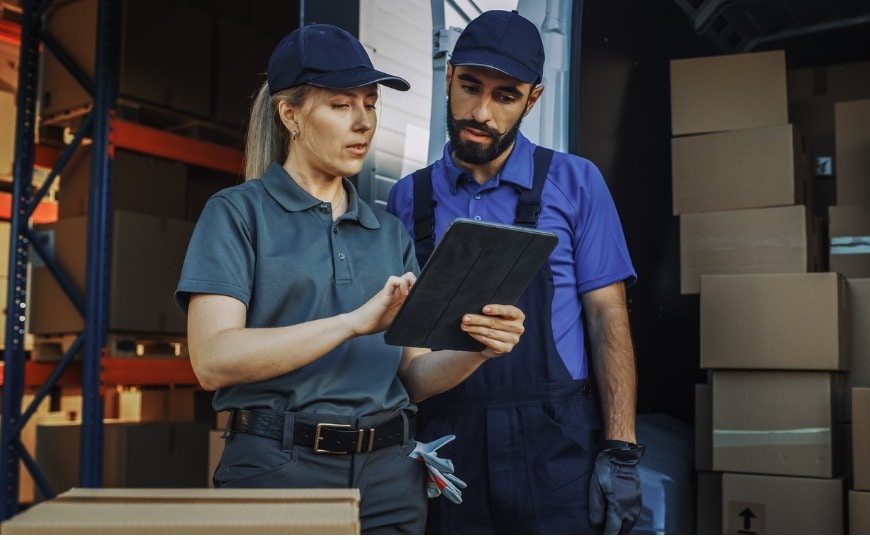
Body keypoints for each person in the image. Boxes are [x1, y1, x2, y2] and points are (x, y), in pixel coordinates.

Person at [174, 23, 526, 535]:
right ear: (289, 114)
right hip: (279, 470)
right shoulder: (236, 214)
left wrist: (479, 348)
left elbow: (412, 378)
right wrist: (352, 323)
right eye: (341, 105)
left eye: (370, 103)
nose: (363, 122)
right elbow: (213, 360)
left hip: (391, 477)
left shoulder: (388, 232)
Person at [386, 9, 645, 535]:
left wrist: (620, 450)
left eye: (505, 96)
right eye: (469, 86)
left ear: (533, 99)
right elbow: (400, 350)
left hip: (555, 445)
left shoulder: (576, 182)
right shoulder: (406, 198)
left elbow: (607, 319)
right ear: (449, 76)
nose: (480, 111)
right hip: (447, 447)